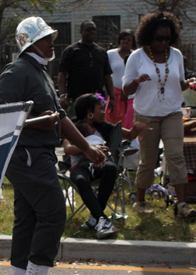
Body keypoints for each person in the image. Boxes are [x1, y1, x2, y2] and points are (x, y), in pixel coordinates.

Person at [0, 16, 107, 275]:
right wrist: (38, 124)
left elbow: (61, 117)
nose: (52, 41)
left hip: (37, 153)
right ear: (29, 42)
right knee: (54, 211)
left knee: (29, 218)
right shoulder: (18, 71)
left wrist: (87, 149)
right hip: (26, 154)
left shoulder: (39, 71)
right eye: (46, 37)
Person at [122, 11, 196, 218]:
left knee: (175, 156)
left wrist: (190, 84)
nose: (164, 42)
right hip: (146, 115)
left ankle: (182, 204)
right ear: (148, 36)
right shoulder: (136, 57)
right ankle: (140, 200)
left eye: (168, 38)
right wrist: (137, 81)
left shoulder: (176, 55)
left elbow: (179, 83)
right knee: (149, 159)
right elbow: (126, 90)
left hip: (172, 112)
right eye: (159, 38)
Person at [64, 93, 150, 239]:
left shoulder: (105, 127)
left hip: (101, 163)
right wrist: (91, 147)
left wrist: (137, 127)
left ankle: (96, 218)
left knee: (110, 168)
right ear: (89, 112)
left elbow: (129, 134)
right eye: (100, 109)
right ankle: (101, 218)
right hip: (80, 166)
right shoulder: (73, 127)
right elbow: (68, 149)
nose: (104, 113)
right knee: (80, 179)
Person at [57, 21, 114, 112]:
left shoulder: (101, 52)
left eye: (93, 30)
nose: (91, 32)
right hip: (76, 99)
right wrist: (62, 95)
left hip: (97, 99)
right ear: (81, 31)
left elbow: (107, 76)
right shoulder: (71, 51)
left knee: (96, 125)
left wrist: (112, 97)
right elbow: (62, 74)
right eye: (88, 30)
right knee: (77, 125)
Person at [105, 29, 137, 128]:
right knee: (113, 121)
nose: (126, 41)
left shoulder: (136, 55)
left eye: (129, 40)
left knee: (129, 122)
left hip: (131, 96)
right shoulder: (110, 54)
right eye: (123, 39)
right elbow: (106, 73)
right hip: (115, 95)